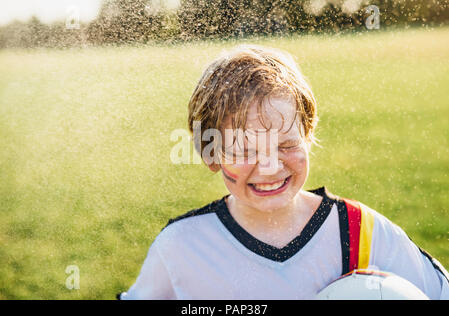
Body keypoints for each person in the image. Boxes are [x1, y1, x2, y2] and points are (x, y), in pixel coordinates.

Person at [118, 44, 449, 299]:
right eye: (246, 150)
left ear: (308, 136)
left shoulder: (360, 233)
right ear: (211, 154)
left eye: (287, 145)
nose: (271, 167)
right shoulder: (181, 247)